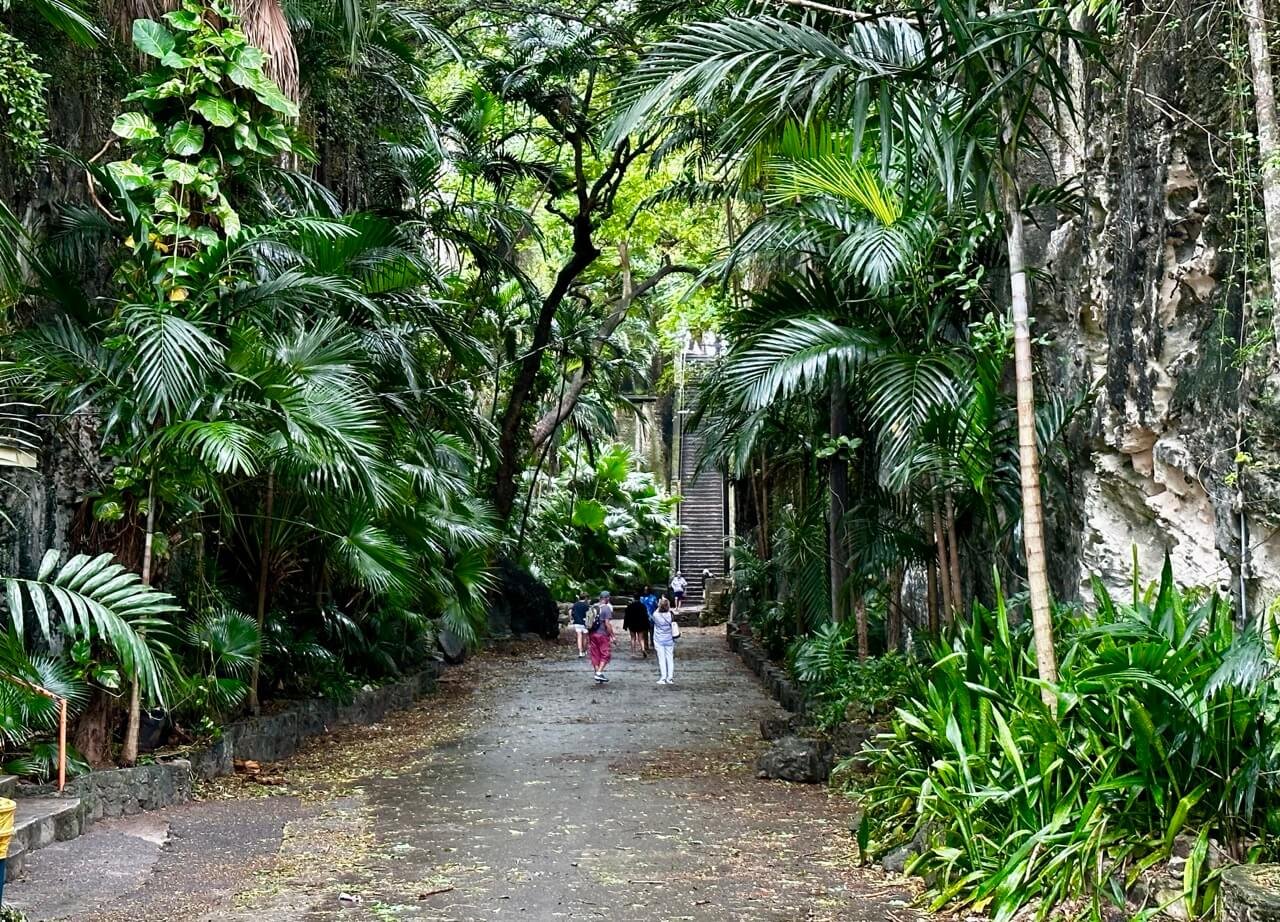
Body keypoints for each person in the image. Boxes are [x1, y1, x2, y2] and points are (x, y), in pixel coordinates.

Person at [588, 591, 616, 683]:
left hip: (592, 634)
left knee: (595, 654)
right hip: (602, 634)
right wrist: (612, 635)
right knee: (605, 654)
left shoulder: (593, 607)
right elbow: (607, 624)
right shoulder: (606, 608)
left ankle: (597, 673)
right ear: (607, 598)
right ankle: (599, 673)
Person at [651, 597, 676, 685]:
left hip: (659, 639)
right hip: (669, 639)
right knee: (670, 658)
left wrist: (660, 602)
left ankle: (663, 677)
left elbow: (655, 612)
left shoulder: (656, 615)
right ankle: (670, 678)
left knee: (662, 659)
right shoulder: (670, 614)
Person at [623, 592, 650, 657]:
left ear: (633, 598)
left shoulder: (629, 606)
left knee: (633, 638)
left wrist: (625, 625)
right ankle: (643, 649)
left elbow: (626, 616)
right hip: (640, 624)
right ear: (639, 598)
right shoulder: (642, 606)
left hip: (632, 624)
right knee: (641, 638)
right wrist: (647, 625)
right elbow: (645, 616)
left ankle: (633, 652)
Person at [570, 590, 590, 657]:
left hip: (577, 623)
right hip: (584, 623)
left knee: (579, 637)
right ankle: (584, 650)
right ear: (585, 598)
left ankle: (580, 652)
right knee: (585, 637)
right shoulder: (586, 605)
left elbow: (571, 612)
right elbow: (589, 615)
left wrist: (572, 619)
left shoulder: (575, 604)